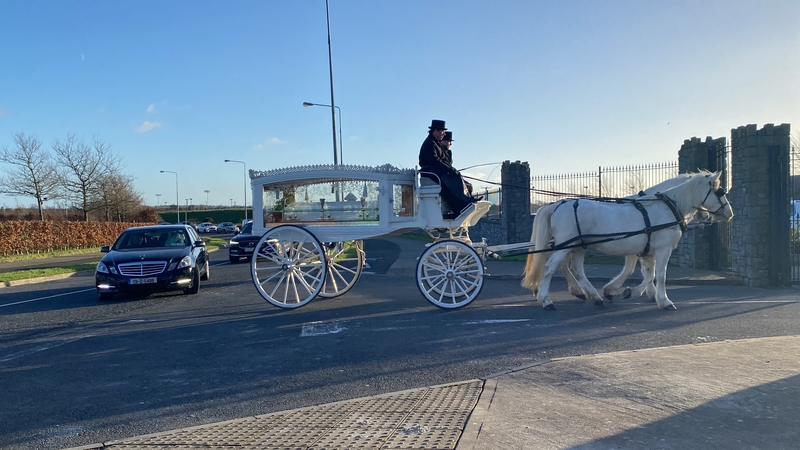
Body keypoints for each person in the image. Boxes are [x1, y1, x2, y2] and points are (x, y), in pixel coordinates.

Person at [418, 119, 481, 217]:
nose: (443, 134)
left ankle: (466, 201)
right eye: (442, 132)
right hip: (430, 173)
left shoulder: (435, 143)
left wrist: (451, 170)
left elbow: (442, 161)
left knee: (456, 178)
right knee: (451, 181)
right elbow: (435, 161)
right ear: (435, 131)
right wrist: (450, 170)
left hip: (435, 171)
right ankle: (460, 206)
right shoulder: (430, 144)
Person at [442, 131, 473, 196]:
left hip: (450, 175)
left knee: (469, 185)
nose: (450, 144)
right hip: (447, 176)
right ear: (443, 141)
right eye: (449, 141)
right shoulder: (442, 152)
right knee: (467, 186)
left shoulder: (447, 152)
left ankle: (469, 199)